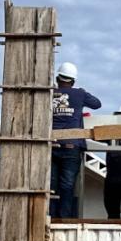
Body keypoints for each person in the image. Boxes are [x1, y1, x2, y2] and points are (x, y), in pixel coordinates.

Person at [50, 61, 100, 219]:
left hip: (51, 146)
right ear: (73, 80)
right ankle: (64, 219)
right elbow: (97, 104)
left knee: (51, 185)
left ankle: (50, 216)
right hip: (71, 147)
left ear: (58, 78)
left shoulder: (49, 93)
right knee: (67, 185)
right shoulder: (79, 94)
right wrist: (82, 92)